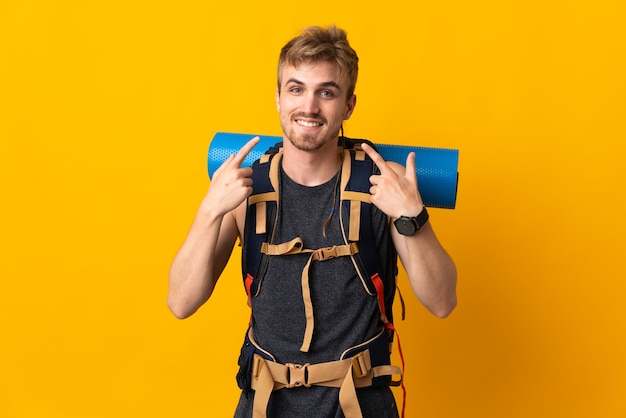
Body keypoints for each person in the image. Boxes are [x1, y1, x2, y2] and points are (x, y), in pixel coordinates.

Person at [168, 25, 457, 418]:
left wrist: (412, 216)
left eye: (326, 92)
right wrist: (208, 212)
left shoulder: (381, 183)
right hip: (265, 406)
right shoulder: (246, 186)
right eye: (296, 88)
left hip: (360, 406)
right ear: (278, 97)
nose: (309, 107)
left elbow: (442, 302)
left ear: (348, 106)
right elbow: (181, 302)